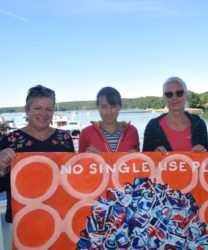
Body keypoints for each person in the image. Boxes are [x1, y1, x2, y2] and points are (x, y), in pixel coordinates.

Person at [0, 85, 75, 223]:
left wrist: (89, 160)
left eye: (48, 109)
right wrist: (2, 169)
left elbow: (72, 178)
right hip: (23, 218)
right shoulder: (8, 141)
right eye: (37, 108)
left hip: (60, 216)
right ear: (27, 110)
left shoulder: (65, 138)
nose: (43, 113)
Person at [143, 76, 208, 154]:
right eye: (169, 94)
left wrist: (204, 152)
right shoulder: (152, 127)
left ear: (186, 96)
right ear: (164, 98)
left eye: (179, 93)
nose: (174, 97)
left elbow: (207, 160)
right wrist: (154, 156)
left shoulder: (199, 124)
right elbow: (146, 161)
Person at [79, 87, 139, 153]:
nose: (108, 111)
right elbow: (78, 161)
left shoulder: (132, 131)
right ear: (98, 108)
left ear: (120, 107)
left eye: (113, 106)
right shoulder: (86, 133)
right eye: (104, 107)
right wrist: (86, 157)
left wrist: (136, 157)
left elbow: (141, 161)